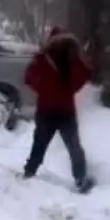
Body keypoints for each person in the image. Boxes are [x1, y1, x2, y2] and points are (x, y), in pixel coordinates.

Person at [22, 26, 95, 193]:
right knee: (64, 145)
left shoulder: (53, 59)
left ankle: (31, 172)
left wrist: (45, 89)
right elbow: (28, 78)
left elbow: (28, 78)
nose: (61, 45)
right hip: (57, 110)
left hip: (55, 110)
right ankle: (79, 179)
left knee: (51, 143)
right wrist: (57, 89)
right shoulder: (57, 58)